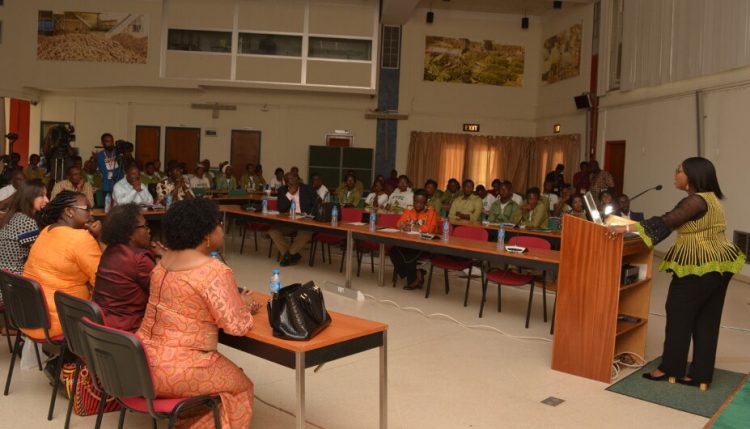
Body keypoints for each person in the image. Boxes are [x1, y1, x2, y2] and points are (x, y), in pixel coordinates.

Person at [136, 198, 261, 428]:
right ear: (205, 235)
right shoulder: (213, 270)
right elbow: (237, 326)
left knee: (228, 375)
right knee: (242, 385)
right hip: (177, 370)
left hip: (139, 361)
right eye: (218, 224)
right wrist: (243, 303)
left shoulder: (163, 263)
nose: (221, 229)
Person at [639, 157, 745, 390]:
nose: (675, 174)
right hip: (721, 265)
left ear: (692, 177)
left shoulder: (695, 201)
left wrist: (628, 228)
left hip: (699, 265)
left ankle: (670, 369)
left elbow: (666, 222)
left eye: (679, 171)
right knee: (707, 318)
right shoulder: (712, 199)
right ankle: (700, 375)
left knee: (678, 313)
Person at [22, 191, 102, 340]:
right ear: (69, 211)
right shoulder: (81, 238)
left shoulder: (46, 231)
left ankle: (62, 359)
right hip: (60, 321)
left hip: (29, 318)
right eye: (87, 209)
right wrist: (99, 238)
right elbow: (103, 281)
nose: (92, 215)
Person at [94, 204, 166, 333]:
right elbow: (164, 293)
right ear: (130, 234)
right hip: (130, 332)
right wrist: (164, 257)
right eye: (145, 226)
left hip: (105, 329)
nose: (149, 230)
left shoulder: (110, 251)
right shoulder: (139, 259)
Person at [390, 190, 438, 290]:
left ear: (426, 203)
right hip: (408, 241)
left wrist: (412, 227)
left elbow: (430, 228)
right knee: (393, 251)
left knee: (409, 254)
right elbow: (399, 223)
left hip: (424, 243)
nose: (418, 204)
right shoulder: (409, 210)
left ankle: (413, 281)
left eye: (421, 202)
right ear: (413, 201)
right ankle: (417, 274)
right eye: (416, 202)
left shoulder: (431, 212)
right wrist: (403, 226)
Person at [0, 181, 49, 277]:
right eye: (42, 196)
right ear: (29, 197)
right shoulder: (26, 221)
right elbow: (39, 254)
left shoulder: (14, 215)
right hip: (13, 276)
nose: (47, 200)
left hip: (4, 274)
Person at [269, 173, 318, 266]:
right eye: (288, 180)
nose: (290, 181)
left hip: (305, 222)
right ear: (286, 182)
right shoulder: (282, 190)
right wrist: (290, 194)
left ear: (297, 179)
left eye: (292, 179)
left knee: (306, 233)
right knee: (273, 231)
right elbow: (281, 208)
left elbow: (317, 204)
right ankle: (292, 255)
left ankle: (289, 255)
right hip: (289, 222)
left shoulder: (308, 189)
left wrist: (310, 215)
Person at [95, 133, 123, 197]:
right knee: (108, 205)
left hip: (119, 186)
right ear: (102, 143)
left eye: (111, 141)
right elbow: (99, 170)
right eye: (107, 141)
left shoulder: (118, 153)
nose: (110, 143)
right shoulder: (100, 156)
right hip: (107, 186)